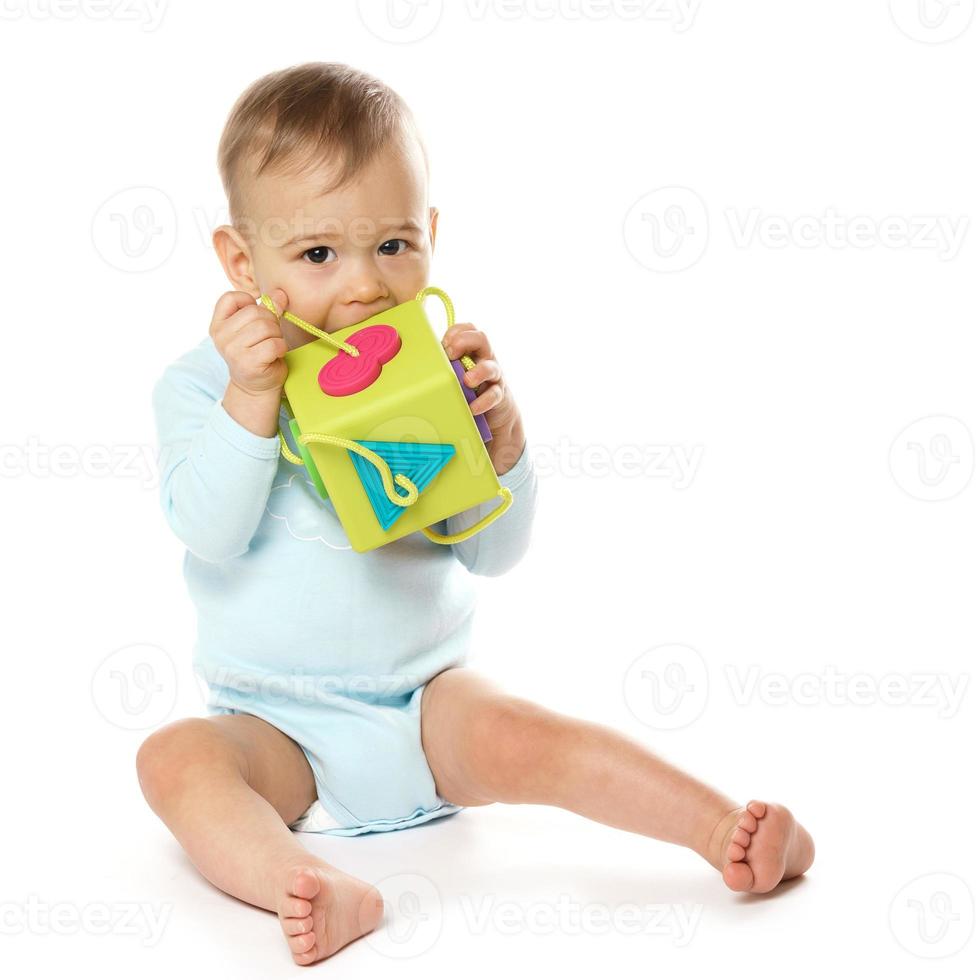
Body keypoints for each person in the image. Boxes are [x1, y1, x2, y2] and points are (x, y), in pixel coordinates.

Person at [136, 61, 815, 967]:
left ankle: (723, 824)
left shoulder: (436, 372)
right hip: (275, 728)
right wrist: (254, 400)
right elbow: (208, 530)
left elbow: (493, 554)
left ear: (432, 235)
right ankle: (302, 882)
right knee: (174, 760)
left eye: (393, 246)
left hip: (429, 700)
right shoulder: (201, 386)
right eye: (315, 255)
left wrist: (501, 446)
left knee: (534, 735)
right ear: (240, 261)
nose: (366, 288)